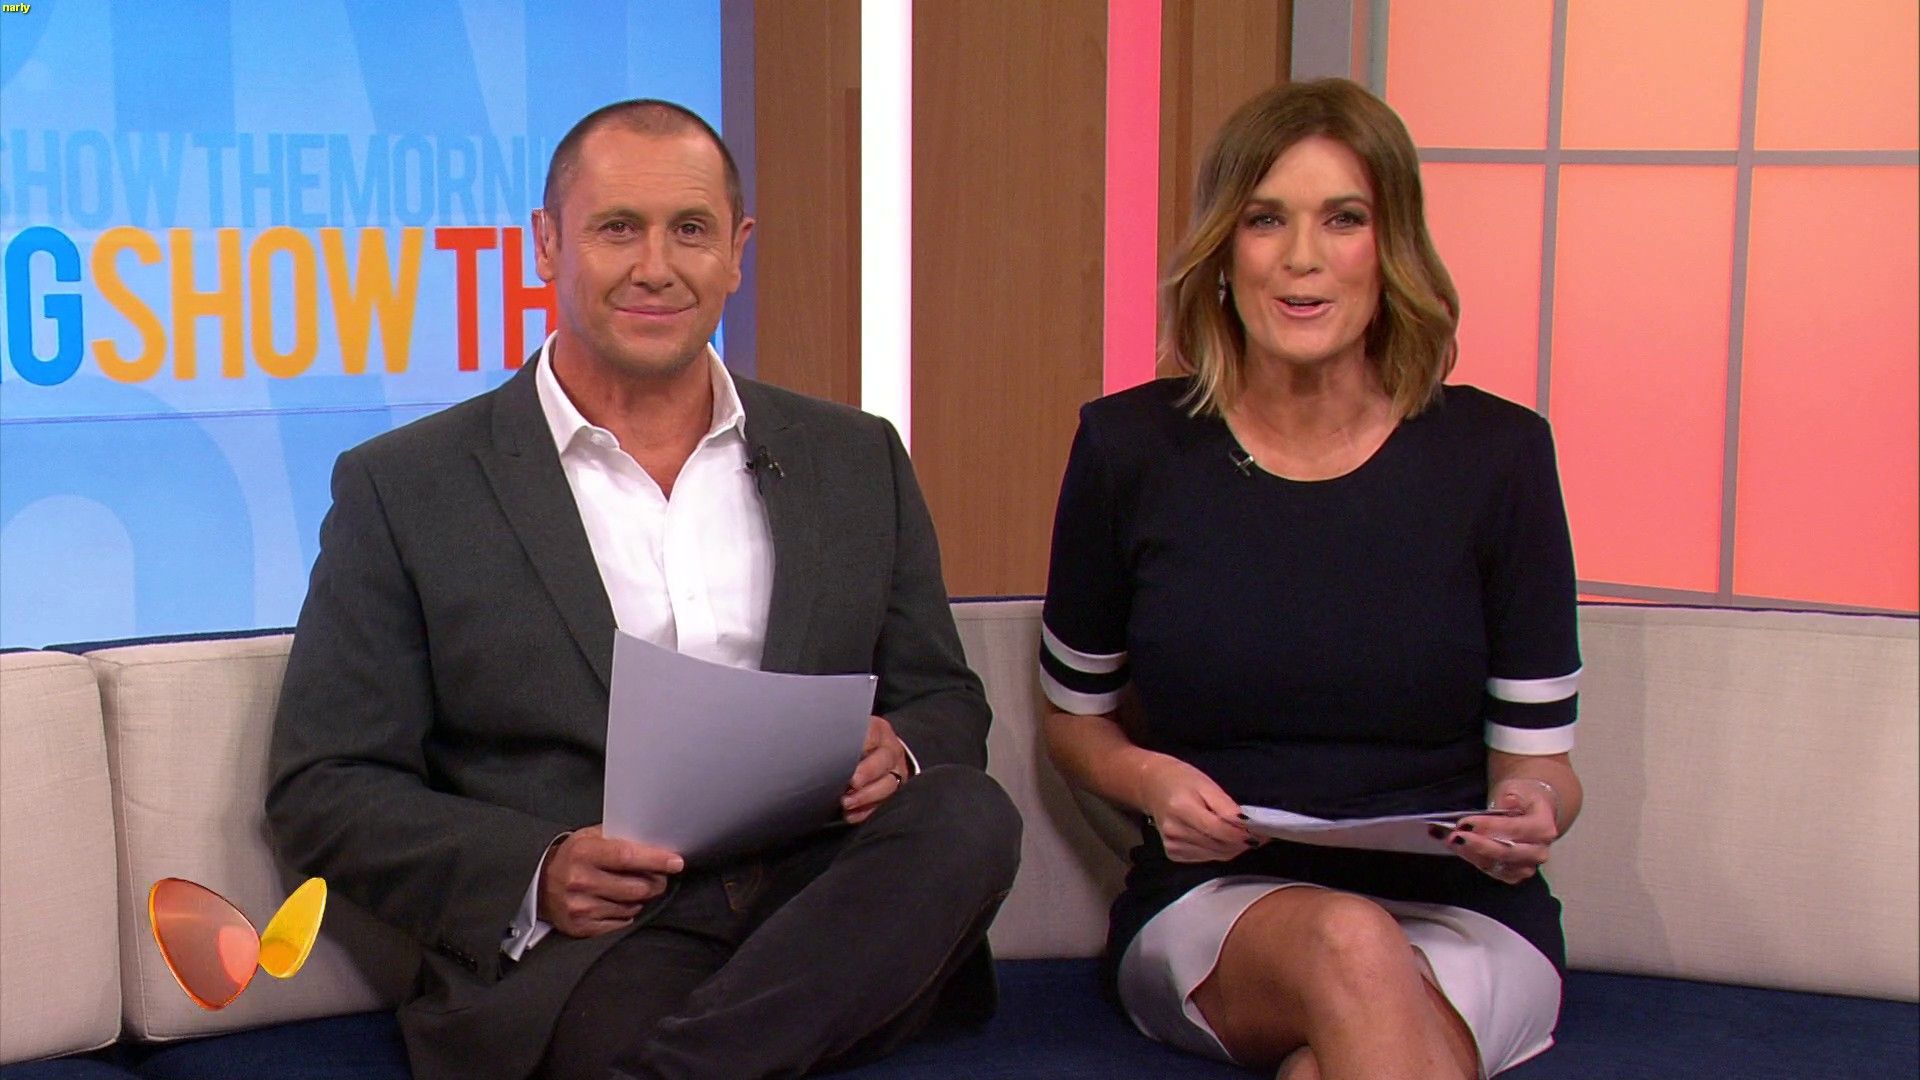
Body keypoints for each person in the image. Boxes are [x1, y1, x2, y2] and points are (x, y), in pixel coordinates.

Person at [267, 100, 1021, 1080]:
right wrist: (538, 869)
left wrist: (901, 753)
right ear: (547, 243)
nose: (656, 266)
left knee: (968, 815)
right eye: (618, 228)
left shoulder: (854, 457)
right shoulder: (407, 486)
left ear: (737, 251)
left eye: (691, 230)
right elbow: (325, 786)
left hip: (827, 907)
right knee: (636, 1029)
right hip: (605, 946)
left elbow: (944, 699)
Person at [1038, 78, 1582, 1080]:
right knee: (1349, 940)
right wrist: (1154, 783)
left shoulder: (1499, 458)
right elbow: (1074, 723)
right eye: (1265, 220)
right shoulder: (1129, 450)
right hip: (1219, 909)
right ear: (1224, 251)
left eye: (1343, 219)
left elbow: (1541, 764)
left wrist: (1534, 809)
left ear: (1392, 245)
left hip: (1468, 914)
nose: (1301, 257)